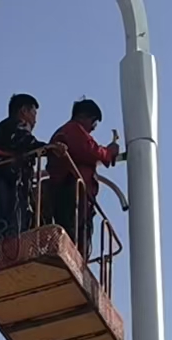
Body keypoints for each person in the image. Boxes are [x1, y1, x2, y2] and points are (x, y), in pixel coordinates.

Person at [44, 98, 120, 252]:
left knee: (77, 241)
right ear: (85, 117)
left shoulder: (69, 131)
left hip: (77, 198)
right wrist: (109, 152)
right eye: (94, 123)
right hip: (70, 193)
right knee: (72, 237)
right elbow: (90, 150)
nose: (92, 129)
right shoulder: (72, 130)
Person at [0, 93, 44, 241]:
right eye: (34, 114)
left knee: (2, 231)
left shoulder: (0, 132)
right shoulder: (16, 125)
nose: (35, 120)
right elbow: (23, 141)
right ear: (24, 111)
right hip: (8, 186)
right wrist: (48, 148)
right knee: (11, 231)